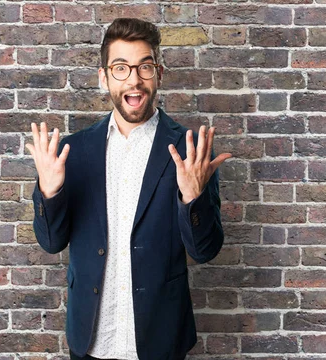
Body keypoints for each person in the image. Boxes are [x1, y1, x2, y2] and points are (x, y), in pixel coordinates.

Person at [27, 18, 231, 360]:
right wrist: (49, 192)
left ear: (159, 74)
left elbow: (204, 250)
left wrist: (193, 199)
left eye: (144, 67)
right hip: (91, 341)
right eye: (121, 68)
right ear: (104, 77)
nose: (134, 80)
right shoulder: (72, 152)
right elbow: (51, 243)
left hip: (160, 342)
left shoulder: (190, 151)